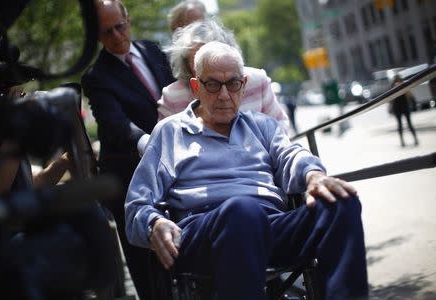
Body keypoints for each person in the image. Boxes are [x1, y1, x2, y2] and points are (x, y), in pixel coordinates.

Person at [125, 42, 368, 300]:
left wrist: (313, 175)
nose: (224, 95)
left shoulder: (262, 126)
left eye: (232, 84)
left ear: (244, 84)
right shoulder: (169, 133)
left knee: (341, 201)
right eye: (213, 85)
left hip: (270, 226)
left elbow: (289, 155)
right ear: (196, 87)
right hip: (206, 233)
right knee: (242, 211)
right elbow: (136, 206)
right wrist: (154, 223)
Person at [81, 0, 175, 299]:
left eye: (120, 27)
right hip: (131, 178)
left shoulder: (154, 50)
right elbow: (115, 124)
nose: (117, 36)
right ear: (96, 35)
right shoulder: (96, 77)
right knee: (146, 266)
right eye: (106, 32)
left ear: (128, 20)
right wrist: (149, 142)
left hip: (176, 166)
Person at [158, 19, 290, 132]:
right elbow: (166, 148)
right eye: (198, 61)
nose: (224, 95)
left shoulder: (258, 80)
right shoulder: (172, 97)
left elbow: (280, 127)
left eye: (216, 57)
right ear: (186, 64)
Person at [389, 75, 419, 147]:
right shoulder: (403, 86)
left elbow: (391, 100)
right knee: (406, 124)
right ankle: (409, 140)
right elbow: (410, 95)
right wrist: (414, 103)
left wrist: (391, 108)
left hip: (400, 108)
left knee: (403, 125)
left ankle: (405, 141)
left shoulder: (394, 88)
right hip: (402, 108)